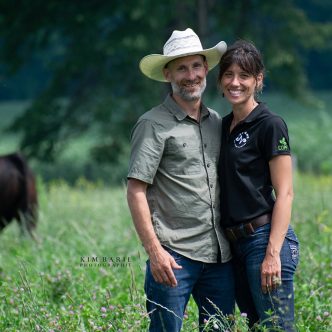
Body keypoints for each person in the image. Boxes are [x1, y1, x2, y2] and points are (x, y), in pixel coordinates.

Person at [127, 28, 235, 332]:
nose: (191, 75)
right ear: (168, 74)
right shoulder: (152, 124)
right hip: (173, 257)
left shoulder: (217, 121)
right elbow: (136, 190)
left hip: (219, 257)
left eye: (197, 66)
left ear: (206, 69)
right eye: (182, 68)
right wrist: (154, 252)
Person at [217, 40, 300, 331]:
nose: (235, 82)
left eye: (244, 76)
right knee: (256, 327)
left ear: (258, 79)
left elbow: (286, 193)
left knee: (276, 328)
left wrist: (272, 254)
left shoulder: (270, 124)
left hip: (264, 240)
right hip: (234, 245)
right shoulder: (222, 125)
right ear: (220, 80)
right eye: (228, 75)